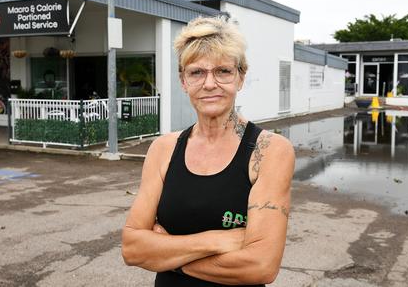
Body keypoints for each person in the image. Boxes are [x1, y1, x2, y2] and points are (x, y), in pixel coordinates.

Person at [121, 16, 295, 286]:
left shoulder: (269, 151)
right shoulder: (163, 150)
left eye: (223, 71)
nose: (210, 83)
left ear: (240, 77)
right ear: (183, 81)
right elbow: (132, 248)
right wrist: (217, 240)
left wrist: (167, 252)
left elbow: (261, 266)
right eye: (197, 72)